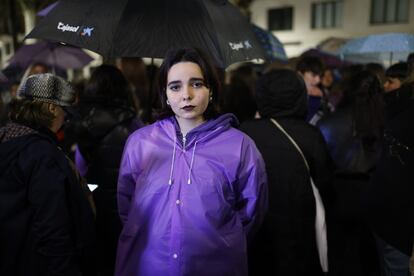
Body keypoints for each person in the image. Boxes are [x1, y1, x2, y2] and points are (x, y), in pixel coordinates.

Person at [114, 48, 268, 276]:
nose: (186, 94)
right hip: (148, 265)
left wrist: (222, 240)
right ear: (164, 93)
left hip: (215, 265)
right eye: (175, 86)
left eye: (196, 84)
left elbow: (251, 213)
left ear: (211, 90)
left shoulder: (240, 146)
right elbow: (127, 205)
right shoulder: (140, 142)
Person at [0, 73, 96, 275]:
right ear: (52, 108)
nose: (66, 119)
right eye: (66, 112)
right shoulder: (42, 155)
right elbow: (53, 227)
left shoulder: (7, 137)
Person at [240, 69, 333, 276]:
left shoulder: (244, 132)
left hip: (255, 228)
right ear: (300, 97)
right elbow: (325, 184)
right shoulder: (310, 134)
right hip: (299, 228)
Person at [67, 64, 143, 276]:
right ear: (124, 90)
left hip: (95, 210)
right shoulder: (135, 125)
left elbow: (80, 170)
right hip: (128, 209)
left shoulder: (81, 123)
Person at [317, 70, 384, 276]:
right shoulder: (385, 122)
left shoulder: (329, 122)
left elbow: (321, 164)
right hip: (377, 194)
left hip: (338, 195)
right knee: (373, 259)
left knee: (341, 256)